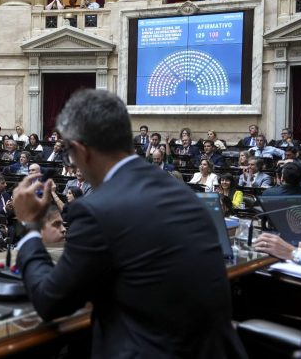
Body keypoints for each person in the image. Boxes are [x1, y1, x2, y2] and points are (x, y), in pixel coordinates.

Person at [13, 89, 245, 358]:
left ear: (79, 150)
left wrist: (31, 225)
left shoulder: (96, 210)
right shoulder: (185, 194)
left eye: (69, 155)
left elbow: (51, 302)